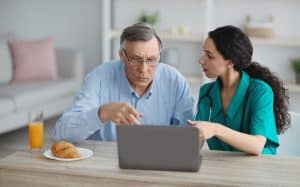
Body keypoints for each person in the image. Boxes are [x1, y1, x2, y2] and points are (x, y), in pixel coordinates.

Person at [53, 23, 195, 142]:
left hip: (161, 164)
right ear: (121, 55)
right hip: (105, 165)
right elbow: (61, 133)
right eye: (135, 59)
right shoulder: (99, 77)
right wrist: (101, 113)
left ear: (159, 56)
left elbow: (190, 137)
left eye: (152, 59)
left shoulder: (174, 80)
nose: (144, 69)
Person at [188, 25, 290, 155]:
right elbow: (197, 140)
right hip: (223, 168)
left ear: (230, 62)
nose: (201, 60)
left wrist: (215, 129)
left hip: (259, 169)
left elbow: (257, 145)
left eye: (210, 56)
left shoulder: (260, 91)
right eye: (203, 53)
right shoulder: (207, 92)